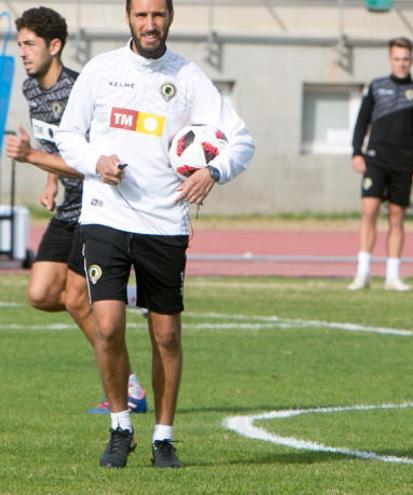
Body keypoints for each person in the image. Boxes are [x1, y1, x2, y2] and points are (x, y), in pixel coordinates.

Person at [56, 0, 255, 469]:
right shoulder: (102, 70)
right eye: (141, 15)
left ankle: (163, 437)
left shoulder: (187, 77)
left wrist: (213, 171)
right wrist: (95, 163)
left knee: (165, 335)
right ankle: (120, 427)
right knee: (107, 324)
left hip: (164, 223)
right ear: (128, 18)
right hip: (106, 214)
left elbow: (241, 139)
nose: (150, 24)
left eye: (158, 15)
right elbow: (69, 135)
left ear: (170, 18)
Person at [6, 6, 148, 416]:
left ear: (55, 46)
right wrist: (49, 181)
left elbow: (90, 160)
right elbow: (55, 147)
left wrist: (32, 157)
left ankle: (130, 389)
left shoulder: (77, 90)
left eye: (30, 45)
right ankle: (119, 296)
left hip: (94, 208)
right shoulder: (31, 88)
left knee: (73, 298)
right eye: (20, 45)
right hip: (66, 208)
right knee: (40, 294)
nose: (24, 54)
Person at [349, 36, 413, 292]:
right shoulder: (376, 87)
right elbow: (361, 123)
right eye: (397, 59)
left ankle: (392, 276)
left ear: (412, 60)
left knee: (397, 218)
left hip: (403, 164)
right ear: (390, 60)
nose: (401, 63)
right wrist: (356, 153)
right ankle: (362, 273)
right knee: (369, 213)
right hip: (375, 160)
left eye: (406, 59)